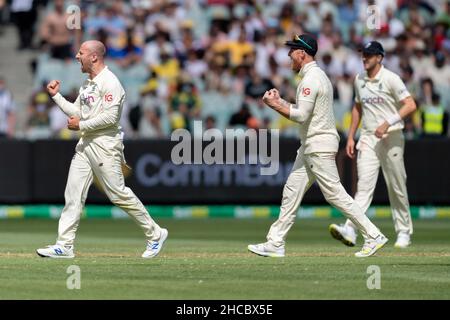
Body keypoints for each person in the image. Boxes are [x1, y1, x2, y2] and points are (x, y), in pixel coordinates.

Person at [247, 34, 388, 258]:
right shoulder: (313, 76)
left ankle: (373, 235)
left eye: (292, 51)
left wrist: (275, 106)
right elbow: (305, 110)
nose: (288, 55)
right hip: (311, 145)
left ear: (302, 53)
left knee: (335, 195)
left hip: (318, 145)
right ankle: (275, 242)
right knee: (292, 191)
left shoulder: (312, 79)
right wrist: (281, 101)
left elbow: (301, 115)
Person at [36, 40, 168, 259]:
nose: (77, 56)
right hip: (85, 144)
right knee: (73, 194)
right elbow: (76, 111)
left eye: (81, 53)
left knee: (118, 194)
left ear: (94, 57)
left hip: (105, 145)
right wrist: (56, 96)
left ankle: (155, 234)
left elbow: (110, 118)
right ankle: (65, 245)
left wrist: (81, 125)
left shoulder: (111, 82)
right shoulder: (88, 84)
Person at [329, 41, 417, 249]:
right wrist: (351, 136)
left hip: (392, 136)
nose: (364, 58)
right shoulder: (359, 80)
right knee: (364, 188)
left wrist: (388, 123)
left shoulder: (391, 79)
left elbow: (410, 105)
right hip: (368, 138)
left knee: (396, 185)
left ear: (379, 57)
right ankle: (351, 228)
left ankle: (404, 231)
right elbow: (357, 108)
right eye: (363, 54)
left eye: (369, 55)